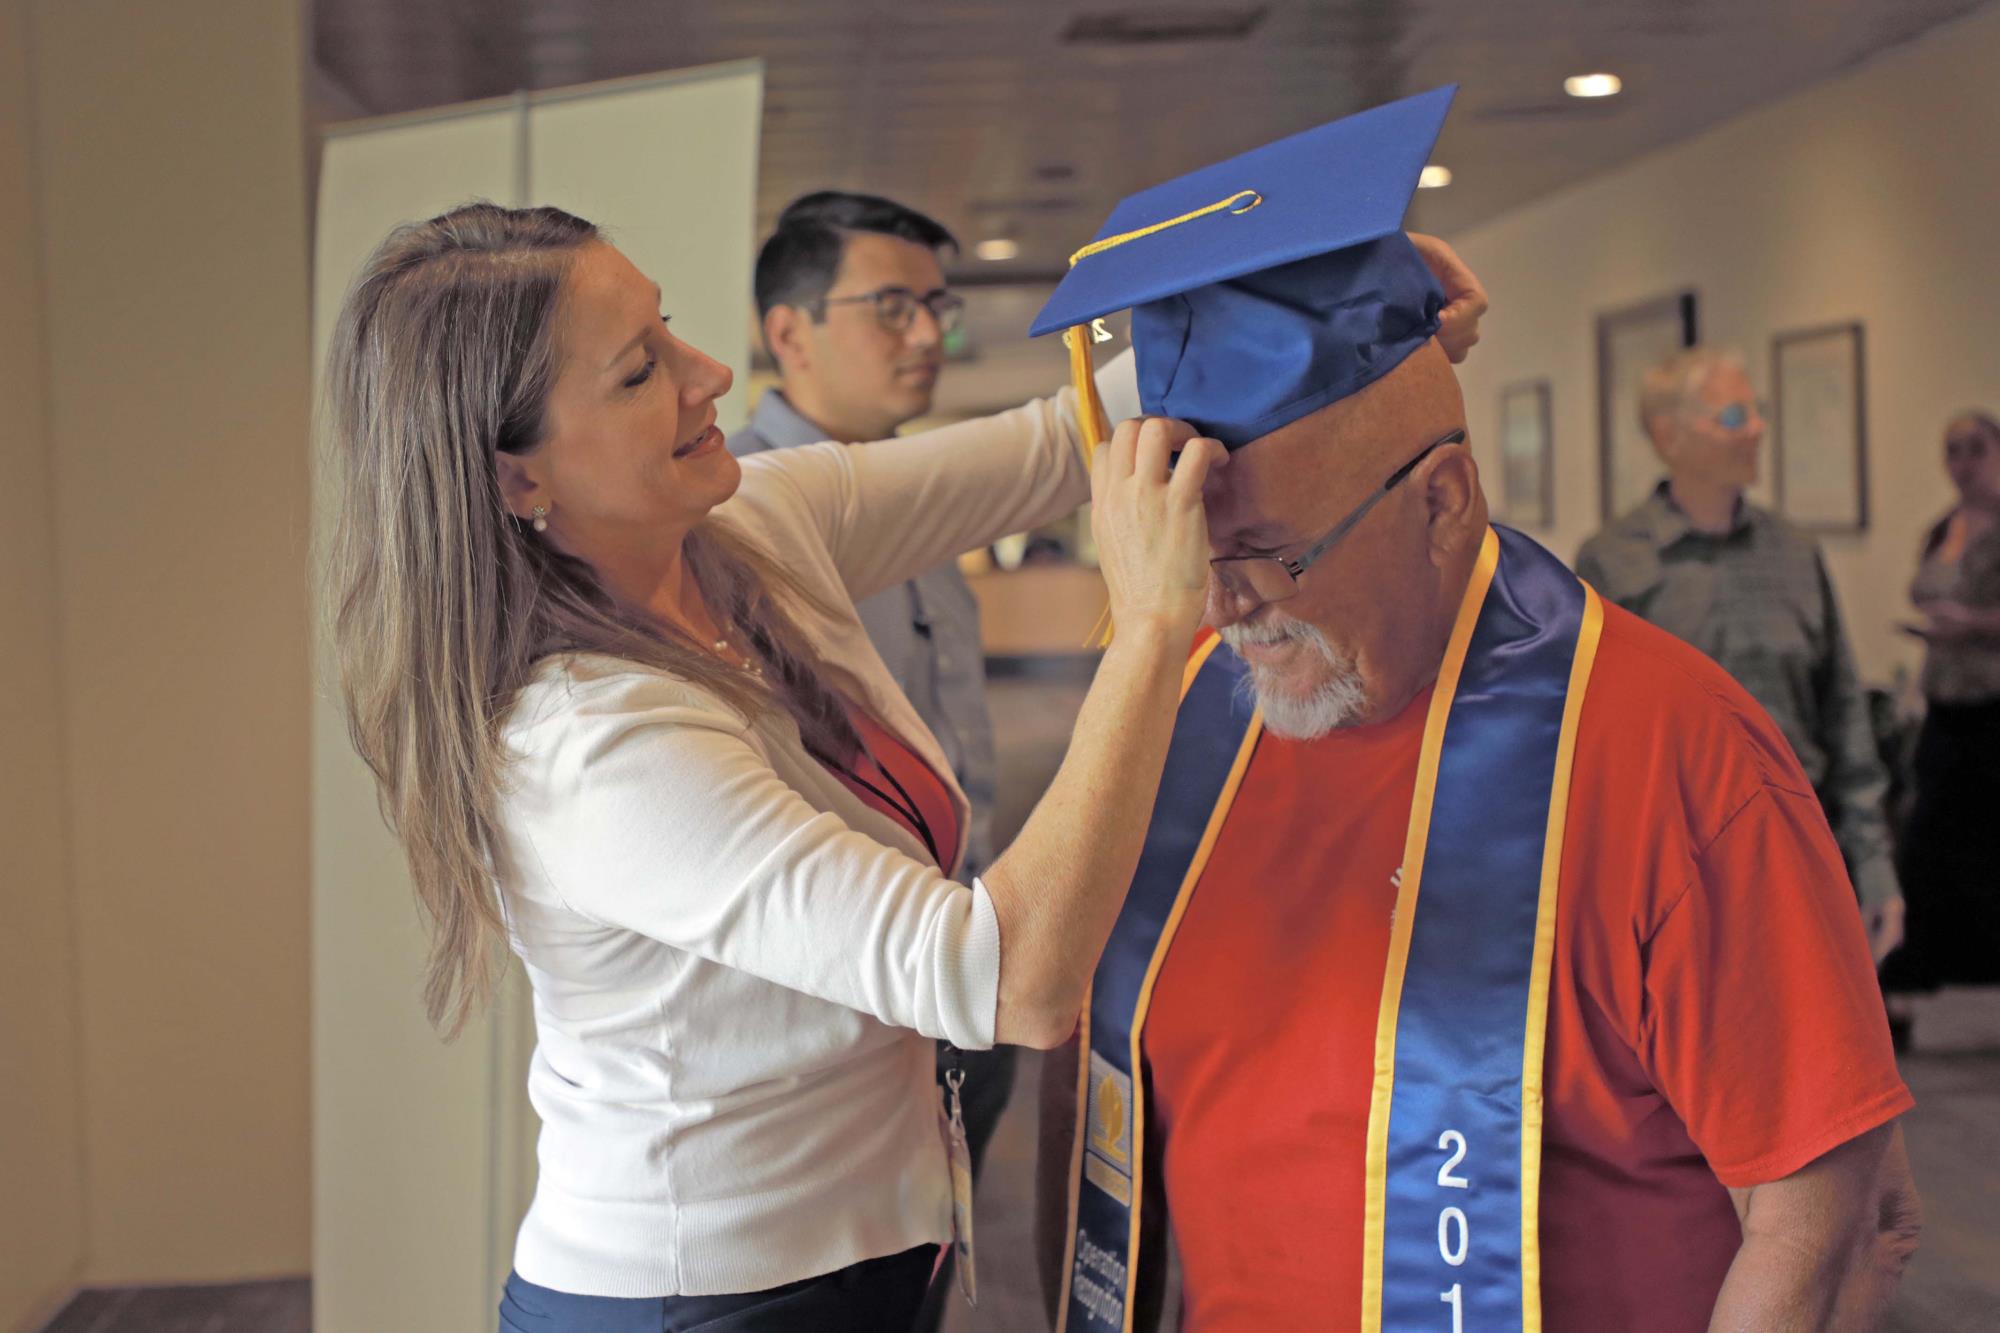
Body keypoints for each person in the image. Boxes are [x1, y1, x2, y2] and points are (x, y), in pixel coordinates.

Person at [1032, 86, 1919, 1333]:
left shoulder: (1669, 754)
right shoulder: (1174, 725)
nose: (1225, 610)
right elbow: (1091, 1089)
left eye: (1272, 556)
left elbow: (1827, 1219)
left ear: (1444, 499)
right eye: (1195, 560)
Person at [320, 201, 1227, 1330]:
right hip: (699, 1297)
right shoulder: (591, 743)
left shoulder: (749, 530)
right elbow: (1011, 979)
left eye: (671, 331)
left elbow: (1058, 439)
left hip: (867, 1254)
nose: (708, 375)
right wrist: (1147, 625)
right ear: (515, 479)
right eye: (640, 371)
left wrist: (1331, 300)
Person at [733, 195, 1014, 1325]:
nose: (924, 336)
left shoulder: (916, 495)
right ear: (788, 332)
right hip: (835, 1008)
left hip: (965, 971)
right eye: (890, 306)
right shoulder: (738, 516)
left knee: (924, 1285)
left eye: (934, 307)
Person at [1576, 346, 1905, 964]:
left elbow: (1845, 720)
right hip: (1672, 874)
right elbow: (1590, 741)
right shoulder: (1612, 563)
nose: (1755, 430)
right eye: (1733, 417)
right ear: (1666, 434)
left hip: (1802, 854)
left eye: (1759, 412)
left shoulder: (1795, 554)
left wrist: (1874, 862)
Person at [1881, 411, 2000, 1044]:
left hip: (1994, 709)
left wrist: (1975, 624)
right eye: (1952, 450)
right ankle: (1903, 991)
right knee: (1927, 849)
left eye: (1974, 449)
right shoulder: (1943, 529)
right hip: (1945, 708)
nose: (1962, 462)